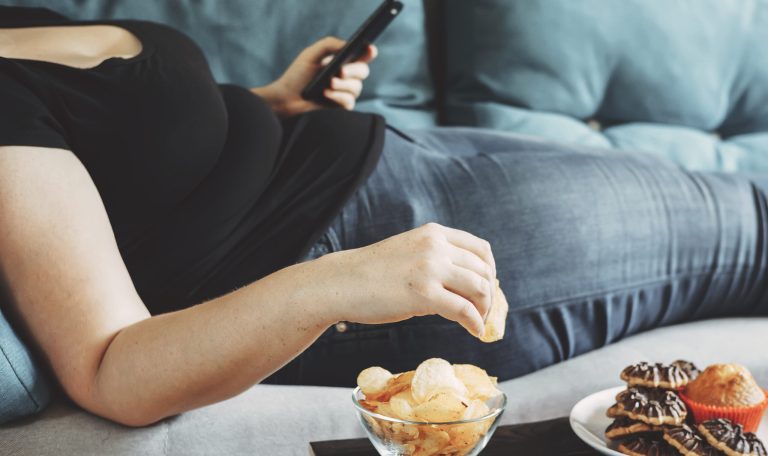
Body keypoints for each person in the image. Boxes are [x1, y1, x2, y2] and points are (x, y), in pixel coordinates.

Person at [1, 6, 766, 427]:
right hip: (362, 237)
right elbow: (109, 369)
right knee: (757, 235)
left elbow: (127, 162)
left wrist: (270, 101)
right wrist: (339, 282)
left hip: (385, 157)